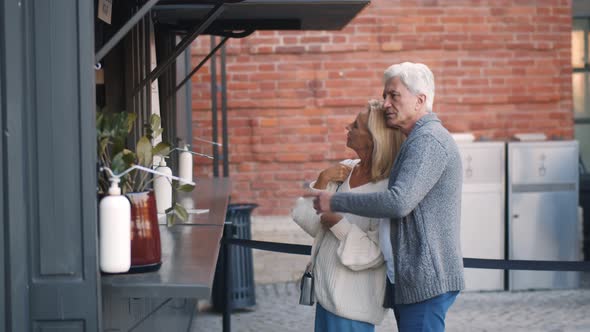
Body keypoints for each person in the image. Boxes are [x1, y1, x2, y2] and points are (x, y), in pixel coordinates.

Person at [309, 62, 465, 332]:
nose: (385, 104)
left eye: (394, 95)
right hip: (412, 279)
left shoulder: (428, 140)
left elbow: (398, 202)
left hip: (425, 280)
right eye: (385, 96)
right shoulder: (416, 139)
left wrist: (334, 202)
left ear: (420, 100)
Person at [292, 100, 405, 332]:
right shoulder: (345, 170)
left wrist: (337, 223)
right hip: (325, 297)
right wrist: (322, 180)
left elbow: (375, 253)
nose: (348, 127)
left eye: (356, 125)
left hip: (353, 307)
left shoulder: (386, 189)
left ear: (373, 138)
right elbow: (309, 222)